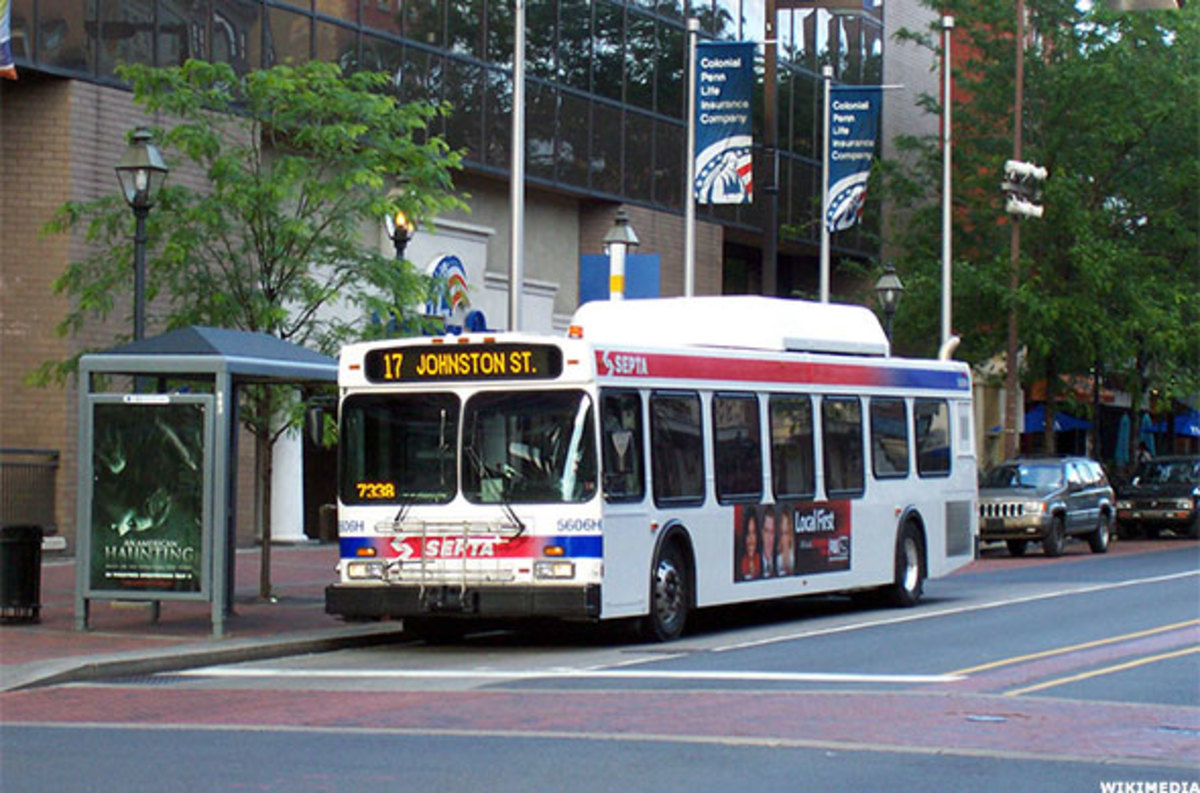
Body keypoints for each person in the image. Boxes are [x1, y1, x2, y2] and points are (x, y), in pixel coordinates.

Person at [738, 508, 761, 581]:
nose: (751, 539)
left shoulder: (761, 561)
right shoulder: (740, 564)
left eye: (753, 533)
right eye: (748, 533)